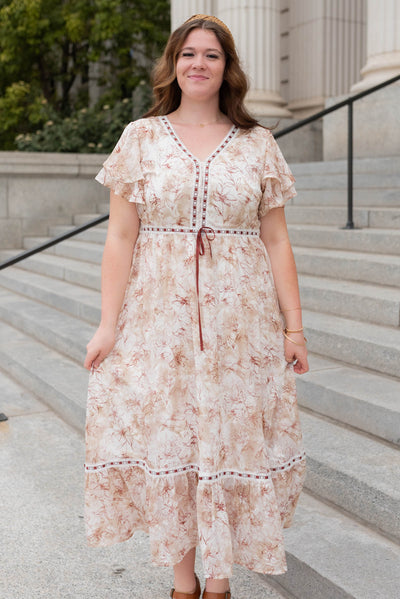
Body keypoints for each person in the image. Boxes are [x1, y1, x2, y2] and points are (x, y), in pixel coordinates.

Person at [84, 13, 308, 599]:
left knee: (231, 439)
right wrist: (108, 326)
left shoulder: (258, 143)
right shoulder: (141, 137)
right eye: (188, 54)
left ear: (227, 67)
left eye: (210, 54)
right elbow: (121, 238)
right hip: (160, 321)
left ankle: (221, 583)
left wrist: (295, 327)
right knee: (174, 443)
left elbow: (277, 239)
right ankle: (185, 585)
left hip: (242, 327)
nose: (198, 64)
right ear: (173, 65)